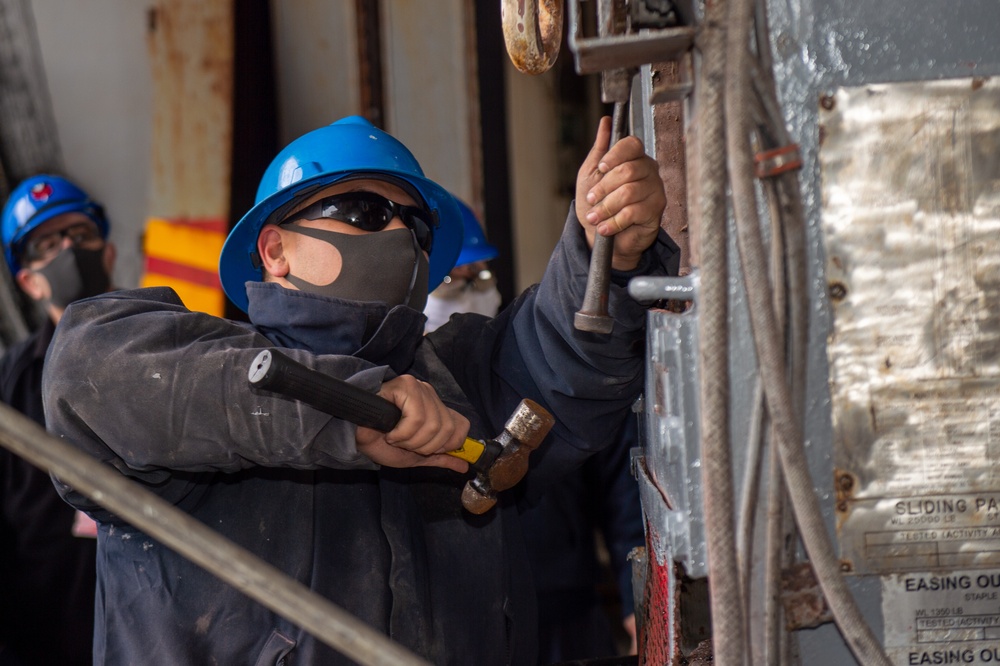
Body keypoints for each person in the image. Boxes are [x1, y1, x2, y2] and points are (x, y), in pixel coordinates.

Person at [43, 115, 679, 665]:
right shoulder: (206, 384)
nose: (399, 237)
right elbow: (86, 371)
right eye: (365, 213)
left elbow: (562, 354)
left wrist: (610, 256)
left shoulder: (462, 375)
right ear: (273, 249)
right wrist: (349, 408)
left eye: (416, 226)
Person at [423, 199, 645, 662]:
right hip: (458, 624)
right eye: (451, 281)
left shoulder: (530, 370)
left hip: (566, 610)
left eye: (480, 277)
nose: (472, 292)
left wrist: (636, 600)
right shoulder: (391, 393)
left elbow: (623, 489)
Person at [0, 174, 116, 665]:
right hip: (49, 634)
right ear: (28, 280)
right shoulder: (9, 387)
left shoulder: (177, 350)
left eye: (80, 235)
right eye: (49, 243)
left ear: (107, 252)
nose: (69, 248)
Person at [423, 196, 502, 334]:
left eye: (471, 266)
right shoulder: (424, 301)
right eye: (459, 266)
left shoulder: (481, 289)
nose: (466, 269)